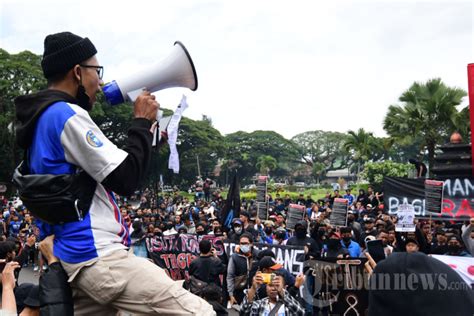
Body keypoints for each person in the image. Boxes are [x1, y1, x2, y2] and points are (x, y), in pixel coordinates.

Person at [14, 32, 214, 315]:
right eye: (97, 71)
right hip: (97, 256)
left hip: (72, 258)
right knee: (200, 312)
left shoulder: (41, 120)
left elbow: (116, 169)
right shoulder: (64, 114)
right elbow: (125, 180)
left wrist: (147, 137)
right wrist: (141, 123)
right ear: (77, 72)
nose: (100, 81)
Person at [240, 270, 305, 316]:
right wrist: (253, 288)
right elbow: (244, 312)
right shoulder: (259, 304)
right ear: (266, 287)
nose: (273, 288)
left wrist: (281, 292)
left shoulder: (289, 305)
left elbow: (301, 313)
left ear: (284, 287)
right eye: (270, 285)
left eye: (277, 285)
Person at [227, 233, 259, 306]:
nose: (243, 245)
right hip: (239, 293)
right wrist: (231, 295)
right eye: (241, 243)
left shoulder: (258, 255)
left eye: (246, 243)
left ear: (251, 244)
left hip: (256, 292)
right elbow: (230, 276)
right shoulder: (234, 257)